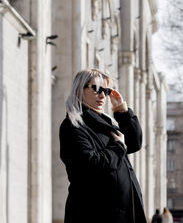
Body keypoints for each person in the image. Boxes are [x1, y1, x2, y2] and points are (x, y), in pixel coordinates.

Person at [59, 69, 147, 223]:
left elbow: (134, 142)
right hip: (96, 213)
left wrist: (122, 111)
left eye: (106, 91)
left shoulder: (106, 123)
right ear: (80, 89)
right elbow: (91, 164)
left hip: (122, 214)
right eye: (97, 89)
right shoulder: (73, 126)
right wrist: (118, 148)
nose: (102, 96)